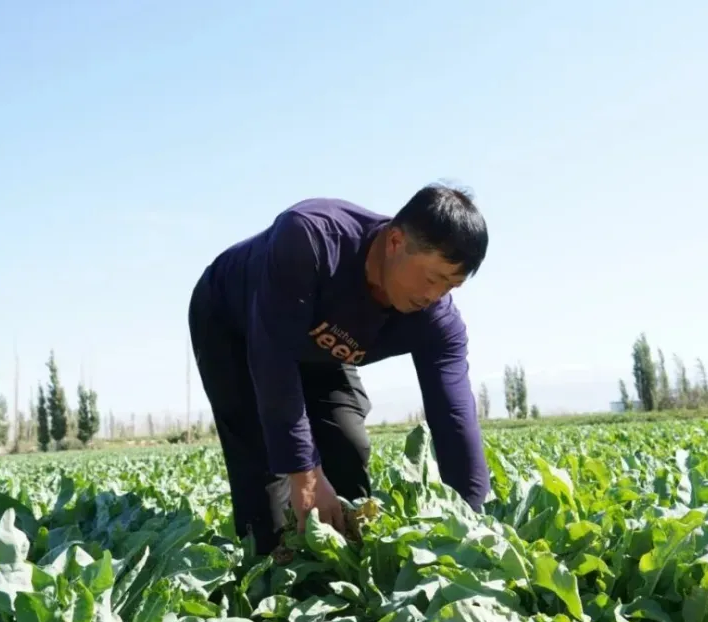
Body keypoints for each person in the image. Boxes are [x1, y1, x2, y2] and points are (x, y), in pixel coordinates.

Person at [187, 182, 491, 554]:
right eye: (431, 278)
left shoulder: (437, 320)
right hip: (232, 322)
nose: (433, 296)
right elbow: (273, 359)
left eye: (450, 287)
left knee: (347, 448)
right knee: (266, 473)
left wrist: (472, 520)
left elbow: (454, 417)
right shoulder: (310, 238)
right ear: (395, 241)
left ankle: (343, 565)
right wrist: (305, 473)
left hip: (320, 344)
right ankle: (268, 574)